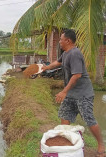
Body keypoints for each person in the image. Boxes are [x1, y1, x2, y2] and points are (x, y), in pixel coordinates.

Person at [42, 29, 105, 157]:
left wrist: (64, 91)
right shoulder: (65, 53)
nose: (59, 41)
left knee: (89, 119)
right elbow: (58, 62)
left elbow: (77, 75)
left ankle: (101, 145)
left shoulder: (75, 54)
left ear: (68, 41)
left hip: (83, 93)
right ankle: (66, 144)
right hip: (71, 93)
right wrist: (46, 67)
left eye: (61, 39)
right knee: (65, 116)